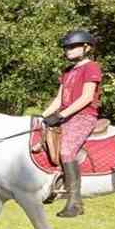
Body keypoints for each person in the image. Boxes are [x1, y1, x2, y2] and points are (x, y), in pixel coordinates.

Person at [41, 28, 102, 218]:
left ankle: (75, 202)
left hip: (83, 116)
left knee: (66, 150)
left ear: (86, 47)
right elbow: (59, 99)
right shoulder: (67, 71)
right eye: (66, 47)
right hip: (66, 115)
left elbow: (86, 97)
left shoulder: (91, 67)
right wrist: (42, 117)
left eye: (73, 46)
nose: (68, 50)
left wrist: (61, 115)